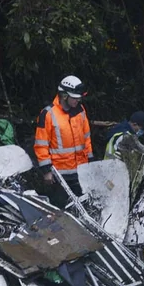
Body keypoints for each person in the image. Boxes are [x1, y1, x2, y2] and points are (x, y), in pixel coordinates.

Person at [35, 75, 93, 207]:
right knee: (61, 209)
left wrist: (90, 161)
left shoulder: (80, 110)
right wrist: (46, 170)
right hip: (60, 174)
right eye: (75, 98)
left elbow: (86, 137)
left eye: (79, 98)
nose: (77, 101)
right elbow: (41, 144)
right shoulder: (48, 114)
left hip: (81, 171)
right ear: (64, 96)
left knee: (83, 207)